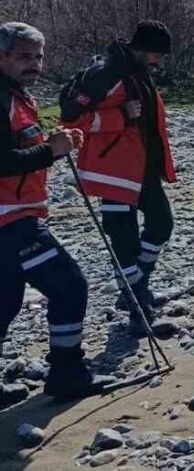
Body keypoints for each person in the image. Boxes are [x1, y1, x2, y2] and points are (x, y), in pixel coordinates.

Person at [0, 22, 101, 400]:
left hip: (15, 214)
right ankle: (67, 374)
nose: (34, 64)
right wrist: (51, 150)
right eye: (24, 56)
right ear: (2, 57)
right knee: (69, 284)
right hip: (9, 221)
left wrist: (56, 145)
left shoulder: (17, 95)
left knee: (5, 301)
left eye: (38, 56)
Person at [60, 21, 176, 337]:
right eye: (156, 55)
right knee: (124, 241)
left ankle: (136, 287)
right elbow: (70, 119)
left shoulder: (135, 71)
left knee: (162, 223)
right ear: (141, 48)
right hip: (114, 172)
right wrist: (120, 116)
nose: (158, 62)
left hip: (142, 171)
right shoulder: (107, 74)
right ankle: (138, 308)